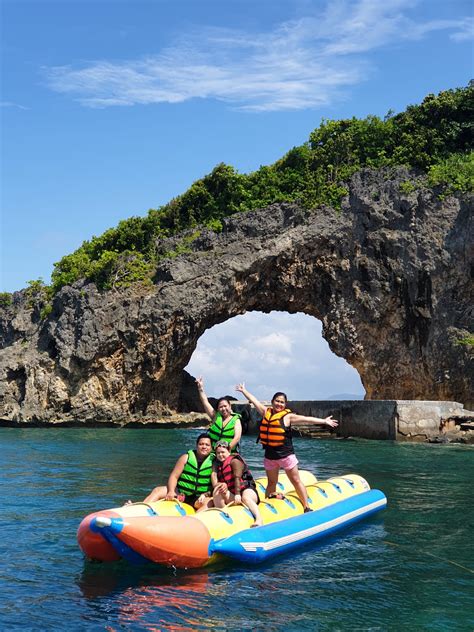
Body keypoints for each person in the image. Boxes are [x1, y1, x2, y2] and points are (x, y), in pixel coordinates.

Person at [235, 384, 339, 513]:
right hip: (270, 456)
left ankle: (306, 506)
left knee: (295, 480)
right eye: (277, 401)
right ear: (272, 402)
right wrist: (244, 391)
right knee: (272, 483)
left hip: (286, 456)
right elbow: (255, 401)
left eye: (282, 402)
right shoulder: (265, 412)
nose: (279, 404)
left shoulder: (288, 417)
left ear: (285, 405)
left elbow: (306, 419)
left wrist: (324, 421)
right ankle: (269, 507)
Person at [140, 433, 214, 510]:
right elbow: (174, 476)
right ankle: (141, 509)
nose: (204, 447)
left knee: (210, 502)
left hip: (198, 499)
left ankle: (195, 519)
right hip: (181, 494)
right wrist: (171, 491)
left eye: (207, 445)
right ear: (196, 445)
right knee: (158, 490)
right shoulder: (186, 458)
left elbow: (215, 483)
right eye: (201, 444)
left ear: (211, 448)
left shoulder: (214, 462)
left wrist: (205, 495)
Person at [211, 440, 263, 527]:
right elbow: (215, 479)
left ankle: (259, 519)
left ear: (229, 451)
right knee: (217, 491)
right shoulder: (218, 465)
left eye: (223, 452)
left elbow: (237, 477)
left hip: (247, 490)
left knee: (245, 497)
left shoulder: (235, 461)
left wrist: (238, 494)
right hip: (233, 495)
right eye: (218, 453)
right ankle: (225, 517)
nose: (220, 455)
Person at [196, 376, 242, 452]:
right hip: (213, 452)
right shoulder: (215, 416)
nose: (223, 409)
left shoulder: (236, 420)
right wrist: (200, 388)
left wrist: (226, 450)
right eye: (221, 407)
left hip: (228, 452)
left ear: (230, 406)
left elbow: (237, 437)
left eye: (225, 406)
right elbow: (205, 402)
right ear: (217, 409)